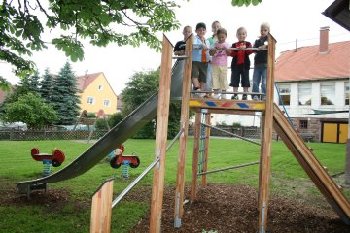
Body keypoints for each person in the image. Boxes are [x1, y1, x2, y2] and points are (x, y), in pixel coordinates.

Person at [229, 27, 253, 100]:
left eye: (243, 34)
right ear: (236, 35)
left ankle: (245, 94)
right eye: (239, 34)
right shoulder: (234, 45)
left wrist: (245, 48)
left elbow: (250, 52)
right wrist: (236, 50)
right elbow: (231, 54)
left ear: (246, 35)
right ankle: (235, 94)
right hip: (235, 65)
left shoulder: (248, 44)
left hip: (245, 65)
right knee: (235, 79)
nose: (241, 35)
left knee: (245, 79)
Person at [209, 28, 229, 99]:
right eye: (219, 37)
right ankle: (216, 93)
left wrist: (226, 48)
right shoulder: (214, 44)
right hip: (215, 64)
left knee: (223, 78)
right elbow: (210, 53)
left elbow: (229, 53)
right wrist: (214, 50)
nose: (221, 39)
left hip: (223, 64)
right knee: (215, 78)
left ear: (226, 36)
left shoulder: (227, 44)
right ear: (217, 36)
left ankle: (224, 93)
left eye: (223, 37)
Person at [252, 22, 270, 101]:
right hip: (257, 64)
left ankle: (264, 95)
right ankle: (255, 95)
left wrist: (265, 46)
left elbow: (271, 45)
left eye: (265, 30)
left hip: (265, 65)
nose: (263, 32)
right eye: (262, 30)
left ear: (268, 31)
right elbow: (254, 50)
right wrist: (255, 48)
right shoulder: (257, 41)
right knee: (255, 81)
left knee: (264, 82)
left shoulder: (269, 40)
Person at [192, 22, 210, 97]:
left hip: (204, 61)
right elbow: (193, 46)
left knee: (203, 77)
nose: (201, 31)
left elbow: (208, 50)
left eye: (203, 30)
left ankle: (201, 92)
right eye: (199, 30)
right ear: (196, 31)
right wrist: (201, 46)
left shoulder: (207, 41)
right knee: (194, 75)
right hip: (195, 60)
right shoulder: (195, 38)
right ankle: (197, 88)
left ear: (205, 31)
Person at [206, 21, 221, 92]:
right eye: (214, 27)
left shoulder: (223, 39)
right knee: (209, 79)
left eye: (218, 26)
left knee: (219, 78)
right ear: (212, 29)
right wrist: (210, 59)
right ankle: (208, 94)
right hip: (211, 63)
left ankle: (218, 94)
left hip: (220, 63)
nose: (216, 28)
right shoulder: (208, 40)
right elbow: (207, 51)